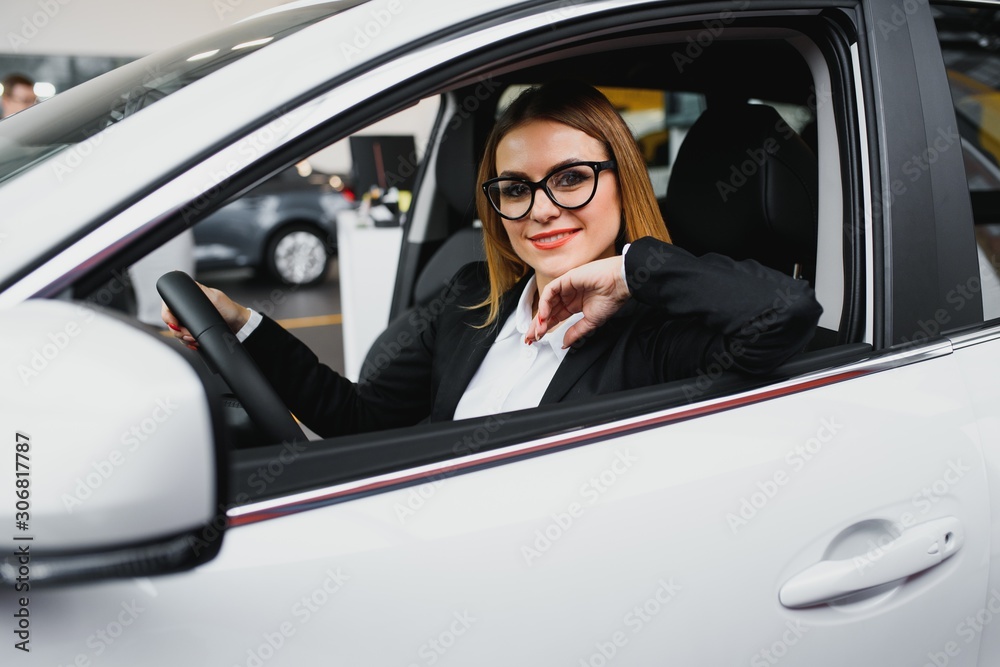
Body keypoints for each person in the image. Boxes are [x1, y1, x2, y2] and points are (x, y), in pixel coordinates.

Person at [163, 80, 823, 438]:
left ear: (623, 180)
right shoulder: (470, 297)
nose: (539, 209)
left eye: (571, 178)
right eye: (515, 188)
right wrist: (241, 323)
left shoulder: (661, 328)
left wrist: (628, 272)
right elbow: (358, 419)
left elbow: (786, 311)